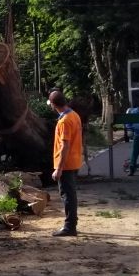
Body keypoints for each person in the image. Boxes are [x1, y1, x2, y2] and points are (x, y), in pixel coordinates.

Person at [48, 89, 83, 237]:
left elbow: (65, 145)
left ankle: (70, 227)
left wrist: (59, 169)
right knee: (71, 194)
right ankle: (72, 222)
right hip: (74, 161)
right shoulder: (74, 115)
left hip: (66, 164)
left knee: (67, 195)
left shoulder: (64, 121)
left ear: (53, 105)